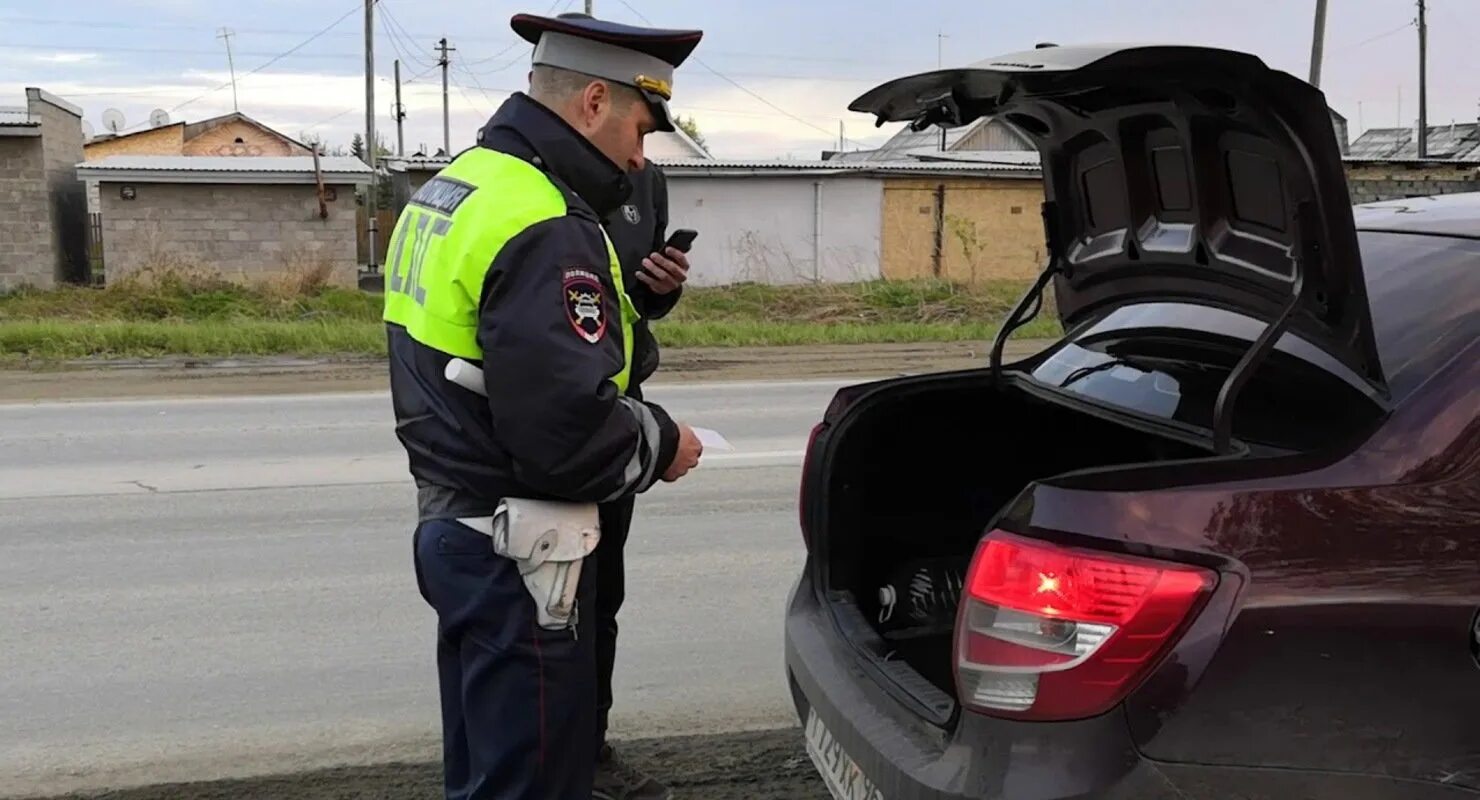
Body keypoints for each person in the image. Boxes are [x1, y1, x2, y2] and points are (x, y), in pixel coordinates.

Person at [382, 10, 705, 800]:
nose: (640, 154)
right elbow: (565, 434)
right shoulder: (545, 219)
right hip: (520, 548)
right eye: (639, 126)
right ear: (594, 101)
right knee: (531, 780)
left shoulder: (459, 185)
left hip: (456, 525)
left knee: (486, 771)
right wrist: (663, 443)